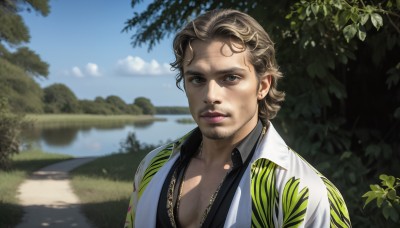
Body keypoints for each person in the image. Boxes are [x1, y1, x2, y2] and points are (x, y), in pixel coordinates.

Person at [125, 9, 351, 228]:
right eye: (197, 79)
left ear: (263, 86)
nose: (211, 96)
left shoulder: (307, 191)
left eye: (230, 77)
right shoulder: (152, 166)